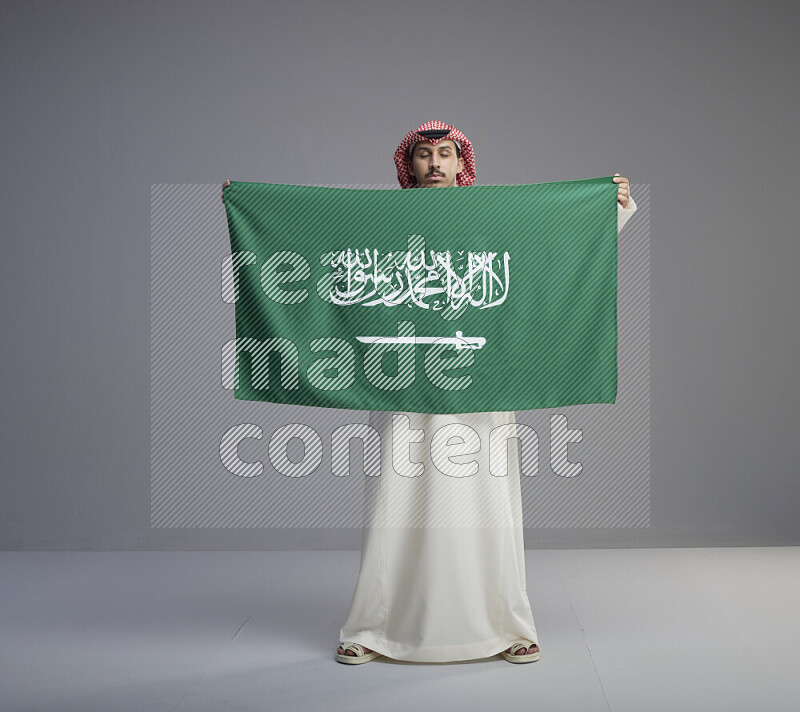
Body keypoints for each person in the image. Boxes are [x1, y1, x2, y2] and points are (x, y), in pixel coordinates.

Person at [222, 120, 637, 665]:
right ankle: (372, 628)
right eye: (424, 155)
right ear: (408, 166)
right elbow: (313, 242)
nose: (435, 164)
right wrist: (252, 206)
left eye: (445, 153)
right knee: (394, 503)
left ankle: (509, 625)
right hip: (399, 383)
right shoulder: (380, 226)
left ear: (462, 163)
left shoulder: (493, 218)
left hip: (482, 379)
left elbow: (554, 249)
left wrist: (609, 207)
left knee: (489, 504)